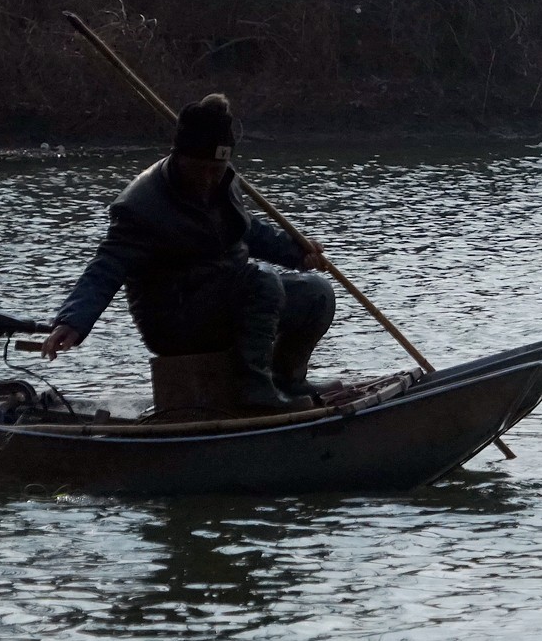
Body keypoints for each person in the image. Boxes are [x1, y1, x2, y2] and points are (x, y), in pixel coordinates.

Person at [39, 94, 335, 411]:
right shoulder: (141, 206)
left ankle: (286, 379)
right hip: (176, 319)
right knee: (262, 282)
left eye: (217, 169)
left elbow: (245, 229)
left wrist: (296, 253)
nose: (208, 180)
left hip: (233, 297)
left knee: (317, 294)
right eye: (201, 169)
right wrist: (73, 320)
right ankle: (254, 391)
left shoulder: (225, 182)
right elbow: (106, 266)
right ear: (180, 157)